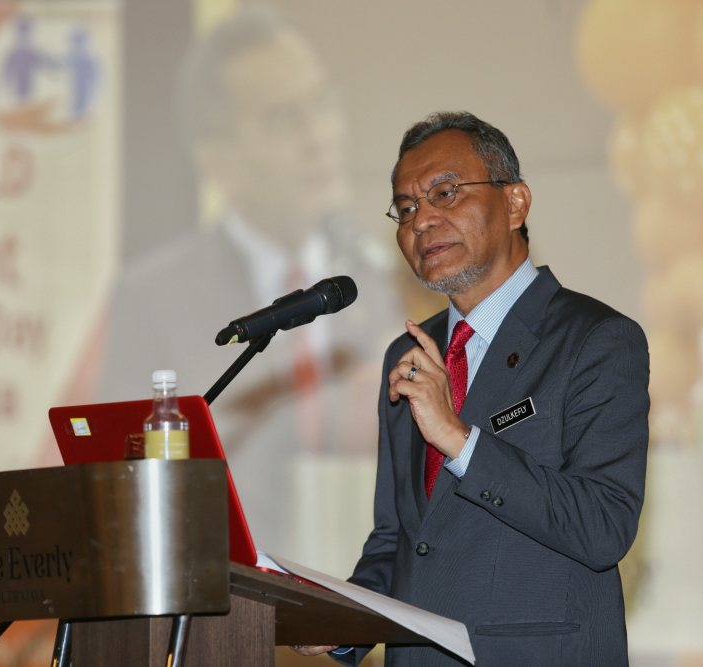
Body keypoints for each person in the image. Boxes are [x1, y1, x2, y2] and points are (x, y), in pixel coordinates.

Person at [294, 112, 650, 665]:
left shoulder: (598, 340)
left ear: (515, 204)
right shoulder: (410, 355)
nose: (421, 221)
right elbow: (401, 541)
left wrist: (460, 439)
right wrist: (344, 622)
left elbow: (603, 527)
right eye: (406, 208)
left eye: (445, 192)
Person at [98, 8, 400, 569]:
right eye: (287, 119)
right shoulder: (154, 301)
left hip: (369, 623)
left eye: (323, 104)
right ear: (219, 160)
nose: (320, 137)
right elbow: (113, 490)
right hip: (225, 621)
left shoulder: (388, 283)